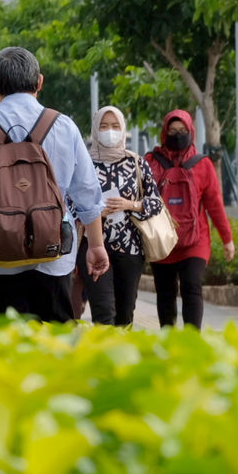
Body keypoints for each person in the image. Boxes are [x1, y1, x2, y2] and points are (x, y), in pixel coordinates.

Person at [0, 47, 109, 322]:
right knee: (53, 347)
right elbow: (87, 193)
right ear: (39, 82)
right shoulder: (64, 126)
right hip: (54, 258)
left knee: (0, 350)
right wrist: (96, 245)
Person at [145, 109, 235, 330]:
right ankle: (169, 341)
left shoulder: (202, 164)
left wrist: (227, 239)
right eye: (173, 130)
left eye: (182, 130)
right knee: (165, 292)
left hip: (195, 240)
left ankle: (192, 340)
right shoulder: (150, 161)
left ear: (191, 131)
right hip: (162, 240)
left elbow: (215, 204)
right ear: (164, 132)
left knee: (192, 286)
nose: (177, 135)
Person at [77, 106, 165, 325]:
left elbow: (156, 204)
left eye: (115, 126)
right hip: (92, 246)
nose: (110, 131)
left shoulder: (136, 162)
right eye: (104, 126)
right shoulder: (83, 164)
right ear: (95, 129)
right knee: (103, 311)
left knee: (125, 314)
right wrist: (94, 210)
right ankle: (106, 357)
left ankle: (123, 357)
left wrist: (130, 204)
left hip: (130, 248)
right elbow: (68, 203)